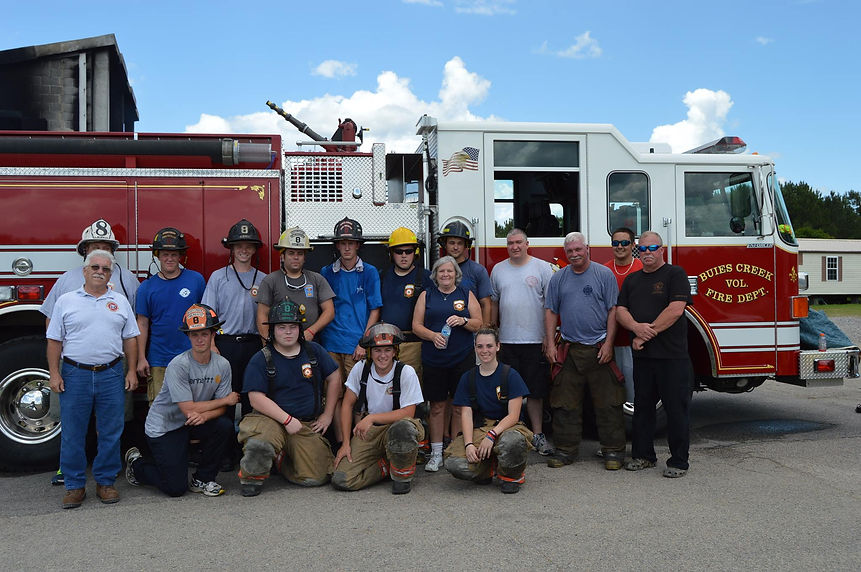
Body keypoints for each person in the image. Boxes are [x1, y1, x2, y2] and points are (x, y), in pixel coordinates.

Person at [41, 218, 139, 487]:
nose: (101, 251)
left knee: (111, 426)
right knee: (72, 427)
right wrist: (55, 369)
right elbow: (51, 324)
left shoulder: (125, 279)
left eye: (106, 245)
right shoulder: (67, 282)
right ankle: (70, 477)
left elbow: (134, 324)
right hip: (74, 369)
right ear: (84, 251)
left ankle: (104, 475)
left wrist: (133, 365)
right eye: (94, 246)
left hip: (112, 368)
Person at [125, 304, 239, 497]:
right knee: (175, 488)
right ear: (188, 336)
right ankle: (137, 464)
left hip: (193, 421)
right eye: (194, 334)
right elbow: (189, 408)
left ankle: (202, 478)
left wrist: (206, 416)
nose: (200, 339)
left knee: (224, 425)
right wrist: (226, 400)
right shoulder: (179, 365)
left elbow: (220, 410)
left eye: (204, 333)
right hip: (165, 427)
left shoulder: (222, 364)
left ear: (213, 334)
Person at [237, 299, 341, 496]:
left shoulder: (314, 351)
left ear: (300, 329)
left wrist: (327, 415)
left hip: (303, 425)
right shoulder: (261, 358)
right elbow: (255, 398)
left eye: (292, 327)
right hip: (270, 419)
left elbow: (334, 377)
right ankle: (252, 477)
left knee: (316, 477)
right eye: (281, 327)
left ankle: (281, 459)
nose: (287, 332)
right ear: (272, 330)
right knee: (261, 443)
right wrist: (286, 419)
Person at [543, 232, 626, 470]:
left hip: (600, 348)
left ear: (587, 248)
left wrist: (609, 344)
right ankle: (565, 450)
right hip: (569, 349)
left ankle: (613, 452)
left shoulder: (604, 274)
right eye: (570, 251)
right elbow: (550, 311)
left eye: (578, 249)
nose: (575, 254)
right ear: (565, 253)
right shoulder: (559, 278)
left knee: (609, 403)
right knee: (564, 404)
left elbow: (613, 310)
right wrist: (550, 344)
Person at [616, 231, 694, 478]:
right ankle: (643, 456)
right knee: (643, 408)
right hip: (644, 359)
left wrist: (644, 335)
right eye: (644, 249)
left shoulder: (675, 274)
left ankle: (678, 461)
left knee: (676, 410)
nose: (647, 253)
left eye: (653, 248)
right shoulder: (632, 280)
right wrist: (636, 328)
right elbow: (620, 311)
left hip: (672, 357)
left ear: (662, 250)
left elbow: (675, 310)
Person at [332, 323, 425, 494]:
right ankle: (386, 465)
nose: (382, 355)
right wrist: (345, 443)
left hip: (397, 426)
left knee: (403, 429)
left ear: (395, 351)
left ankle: (401, 475)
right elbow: (347, 405)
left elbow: (408, 413)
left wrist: (371, 418)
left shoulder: (406, 372)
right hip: (370, 430)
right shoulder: (360, 368)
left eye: (388, 350)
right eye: (377, 350)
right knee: (342, 479)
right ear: (369, 352)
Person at [412, 255, 482, 472]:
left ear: (456, 274)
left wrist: (463, 320)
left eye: (449, 271)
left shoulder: (465, 294)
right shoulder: (426, 295)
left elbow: (479, 323)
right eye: (441, 271)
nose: (445, 275)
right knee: (437, 406)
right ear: (435, 274)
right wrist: (433, 336)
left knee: (461, 407)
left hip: (462, 358)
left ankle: (456, 448)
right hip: (434, 359)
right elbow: (415, 325)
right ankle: (436, 453)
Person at [490, 228, 555, 455]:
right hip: (507, 341)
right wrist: (492, 334)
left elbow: (550, 305)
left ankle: (538, 435)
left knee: (536, 392)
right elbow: (495, 304)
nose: (515, 246)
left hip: (535, 341)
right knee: (508, 393)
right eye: (510, 243)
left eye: (519, 242)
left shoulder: (542, 268)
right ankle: (509, 435)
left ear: (528, 244)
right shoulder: (498, 270)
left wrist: (548, 337)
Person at [444, 328, 533, 494]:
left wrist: (492, 435)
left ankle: (511, 475)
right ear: (475, 348)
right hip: (481, 427)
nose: (485, 351)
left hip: (507, 427)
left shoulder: (510, 375)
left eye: (489, 346)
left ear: (498, 346)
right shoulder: (468, 377)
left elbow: (513, 415)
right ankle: (488, 467)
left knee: (512, 442)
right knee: (454, 463)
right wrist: (469, 444)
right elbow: (466, 413)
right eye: (480, 346)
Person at [319, 217, 382, 438]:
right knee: (333, 396)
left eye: (351, 242)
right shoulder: (326, 272)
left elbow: (375, 310)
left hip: (357, 346)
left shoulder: (369, 272)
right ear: (337, 245)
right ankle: (339, 442)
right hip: (330, 344)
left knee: (357, 397)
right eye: (342, 242)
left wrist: (364, 343)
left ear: (358, 245)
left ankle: (357, 443)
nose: (347, 247)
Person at [136, 227, 206, 404]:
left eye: (174, 254)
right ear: (157, 256)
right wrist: (141, 358)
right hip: (159, 360)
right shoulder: (146, 287)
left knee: (193, 408)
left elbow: (206, 320)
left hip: (193, 357)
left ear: (181, 256)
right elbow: (142, 324)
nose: (169, 259)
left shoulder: (196, 280)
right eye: (165, 254)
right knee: (161, 411)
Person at [202, 219, 264, 417]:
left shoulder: (264, 279)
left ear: (254, 250)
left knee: (252, 395)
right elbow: (208, 314)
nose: (243, 250)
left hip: (254, 345)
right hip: (225, 344)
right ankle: (226, 444)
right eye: (238, 246)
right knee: (224, 396)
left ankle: (248, 442)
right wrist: (211, 345)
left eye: (248, 246)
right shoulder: (218, 277)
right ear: (231, 249)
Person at [256, 226, 335, 345]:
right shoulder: (270, 280)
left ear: (304, 257)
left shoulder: (317, 279)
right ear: (282, 256)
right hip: (280, 344)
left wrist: (311, 332)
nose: (296, 257)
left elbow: (329, 311)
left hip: (310, 342)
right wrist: (268, 343)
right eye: (291, 253)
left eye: (300, 253)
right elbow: (262, 314)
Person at [379, 227, 431, 382]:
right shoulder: (382, 276)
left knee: (411, 388)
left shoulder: (426, 277)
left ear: (415, 253)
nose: (403, 256)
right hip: (385, 344)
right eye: (398, 251)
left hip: (413, 344)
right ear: (391, 254)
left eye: (408, 251)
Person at [603, 227, 643, 409]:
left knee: (634, 386)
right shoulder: (603, 270)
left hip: (633, 340)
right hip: (608, 340)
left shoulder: (641, 268)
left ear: (633, 245)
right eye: (615, 243)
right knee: (610, 390)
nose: (620, 246)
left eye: (625, 243)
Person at [438, 220, 492, 325]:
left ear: (466, 245)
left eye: (460, 243)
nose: (455, 247)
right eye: (451, 243)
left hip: (470, 331)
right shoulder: (438, 271)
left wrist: (483, 333)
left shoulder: (478, 271)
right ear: (445, 244)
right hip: (442, 332)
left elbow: (486, 304)